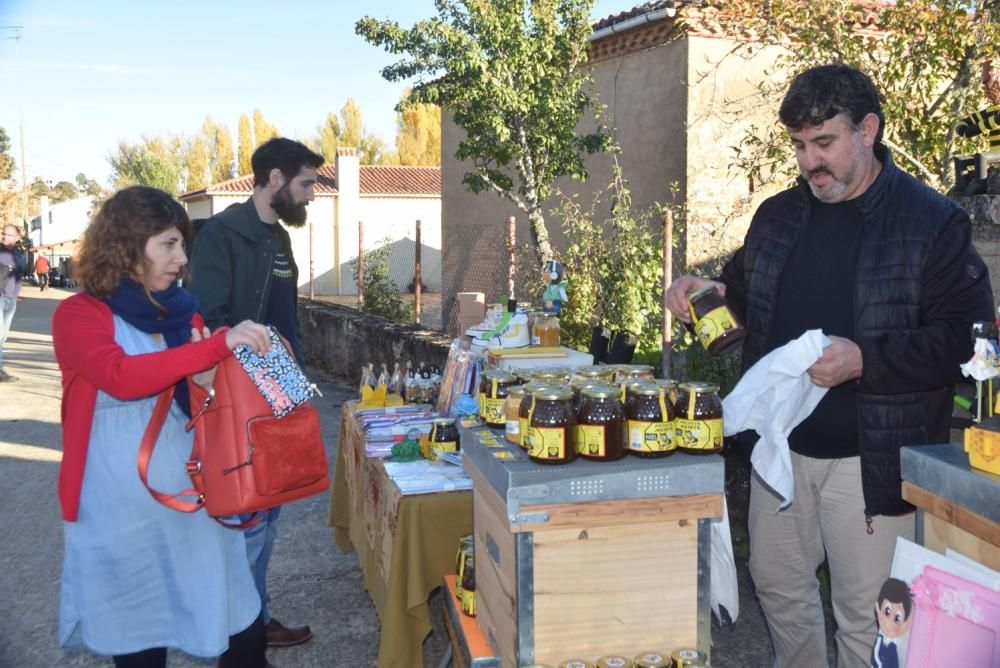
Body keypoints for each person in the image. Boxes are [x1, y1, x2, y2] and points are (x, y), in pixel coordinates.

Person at [665, 64, 994, 668]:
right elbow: (741, 293)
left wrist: (865, 361)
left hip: (871, 462)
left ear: (867, 130)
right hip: (780, 447)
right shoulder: (779, 216)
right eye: (798, 145)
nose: (808, 162)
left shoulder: (931, 223)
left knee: (867, 618)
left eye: (823, 143)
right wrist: (701, 294)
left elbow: (965, 343)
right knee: (780, 590)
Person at [52, 186, 274, 668]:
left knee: (238, 616)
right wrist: (214, 349)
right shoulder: (78, 315)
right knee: (139, 631)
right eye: (168, 245)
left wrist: (211, 379)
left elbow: (199, 399)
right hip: (119, 504)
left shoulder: (182, 310)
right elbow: (121, 377)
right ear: (129, 248)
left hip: (192, 490)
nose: (180, 259)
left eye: (181, 246)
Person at [187, 137, 323, 648]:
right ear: (273, 180)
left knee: (272, 506)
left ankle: (255, 618)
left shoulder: (279, 239)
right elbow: (211, 321)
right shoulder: (221, 236)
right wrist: (260, 380)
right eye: (305, 183)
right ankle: (236, 633)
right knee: (246, 515)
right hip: (240, 397)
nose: (310, 194)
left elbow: (287, 321)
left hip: (283, 389)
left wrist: (295, 382)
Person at [0, 223, 29, 382]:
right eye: (3, 234)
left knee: (3, 337)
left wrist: (16, 295)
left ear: (17, 237)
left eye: (8, 234)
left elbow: (19, 277)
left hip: (11, 301)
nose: (4, 237)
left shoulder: (19, 256)